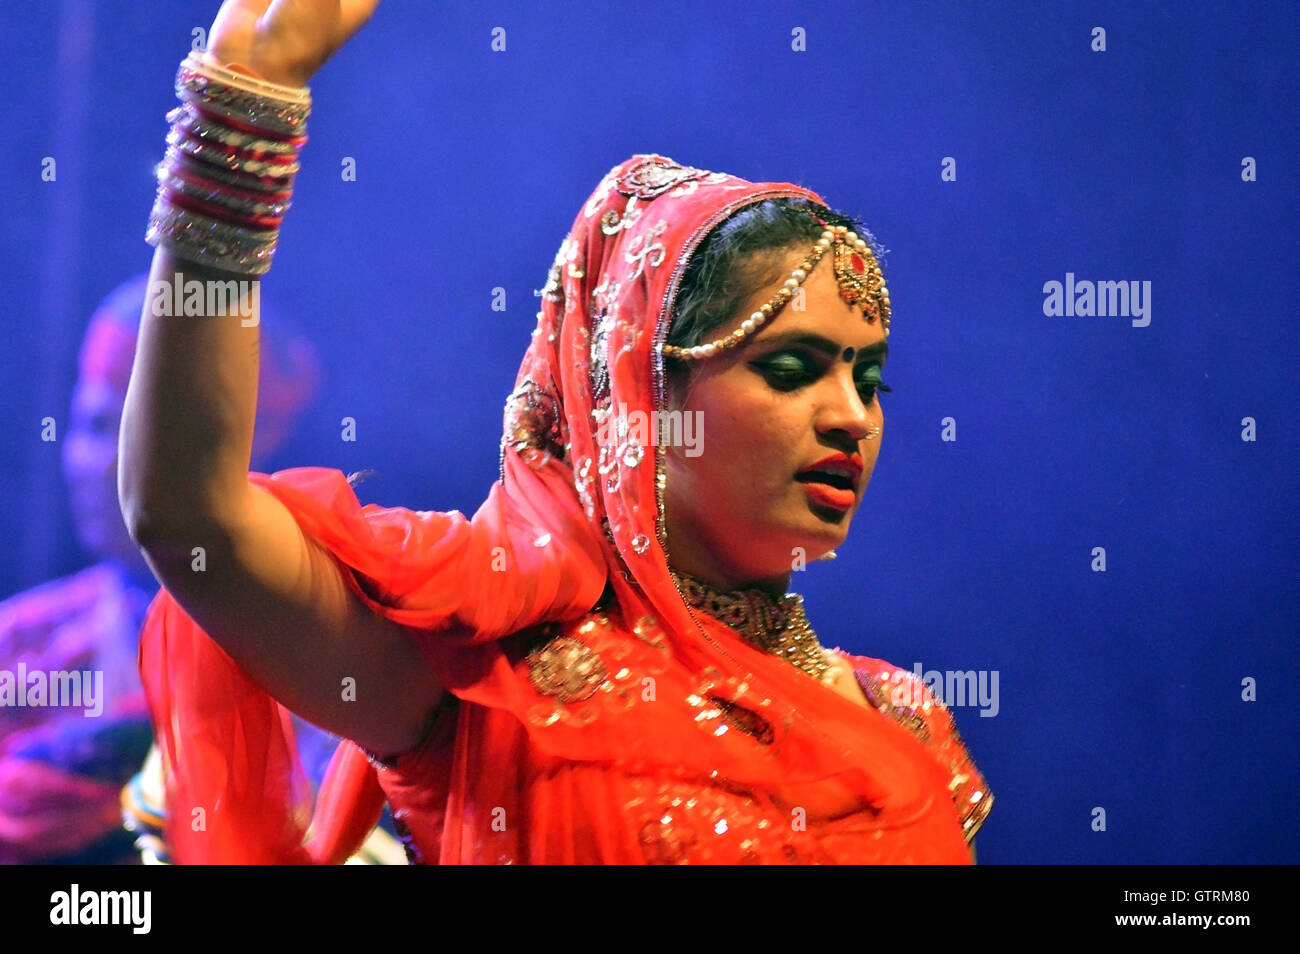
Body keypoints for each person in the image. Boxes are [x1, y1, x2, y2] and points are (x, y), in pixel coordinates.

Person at [121, 0, 992, 864]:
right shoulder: (490, 671)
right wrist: (247, 99)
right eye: (791, 369)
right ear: (642, 394)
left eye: (868, 380)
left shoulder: (902, 719)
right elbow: (191, 519)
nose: (850, 415)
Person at [0, 272, 320, 864]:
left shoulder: (325, 646)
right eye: (94, 426)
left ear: (244, 448)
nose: (102, 464)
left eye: (140, 434)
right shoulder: (23, 643)